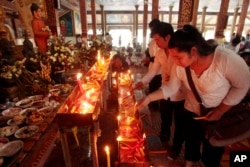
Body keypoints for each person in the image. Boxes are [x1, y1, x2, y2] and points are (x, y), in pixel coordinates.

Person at [137, 24, 250, 167]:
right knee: (191, 140)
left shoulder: (224, 59)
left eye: (178, 57)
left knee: (212, 150)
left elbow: (242, 85)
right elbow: (171, 88)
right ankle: (188, 164)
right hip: (191, 109)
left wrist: (220, 110)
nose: (175, 62)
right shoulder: (181, 67)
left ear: (194, 51)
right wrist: (148, 98)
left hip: (218, 112)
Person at [134, 22, 185, 160]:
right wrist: (142, 82)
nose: (155, 43)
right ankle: (163, 137)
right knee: (165, 115)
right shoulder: (161, 52)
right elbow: (153, 70)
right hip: (165, 89)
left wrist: (149, 97)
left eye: (157, 39)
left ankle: (176, 149)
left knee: (179, 124)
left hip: (181, 94)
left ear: (167, 37)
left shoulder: (179, 54)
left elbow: (174, 85)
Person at [141, 18, 161, 110]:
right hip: (154, 68)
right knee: (152, 86)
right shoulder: (154, 41)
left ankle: (155, 106)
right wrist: (142, 82)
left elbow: (158, 58)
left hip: (160, 71)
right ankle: (153, 104)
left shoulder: (161, 46)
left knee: (156, 87)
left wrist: (149, 59)